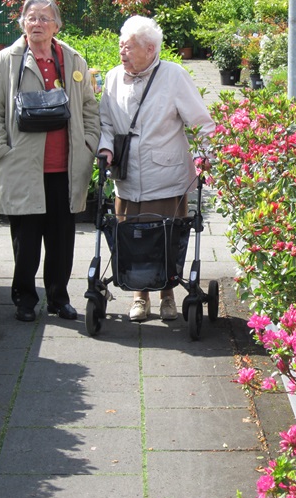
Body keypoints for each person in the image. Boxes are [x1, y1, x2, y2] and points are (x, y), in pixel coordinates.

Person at [0, 0, 100, 322]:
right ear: (22, 24)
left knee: (62, 240)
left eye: (45, 18)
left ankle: (59, 299)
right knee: (26, 241)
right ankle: (25, 299)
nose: (37, 24)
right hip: (22, 167)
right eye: (31, 18)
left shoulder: (73, 59)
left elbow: (89, 107)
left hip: (66, 166)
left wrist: (89, 143)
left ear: (56, 26)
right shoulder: (4, 61)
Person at [98, 16, 215, 322]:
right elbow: (106, 123)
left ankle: (167, 296)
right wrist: (105, 147)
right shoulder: (112, 78)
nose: (122, 51)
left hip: (166, 177)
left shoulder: (173, 76)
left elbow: (202, 122)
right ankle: (139, 297)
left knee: (166, 239)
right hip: (127, 176)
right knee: (132, 238)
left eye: (130, 46)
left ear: (150, 49)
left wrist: (208, 155)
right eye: (121, 45)